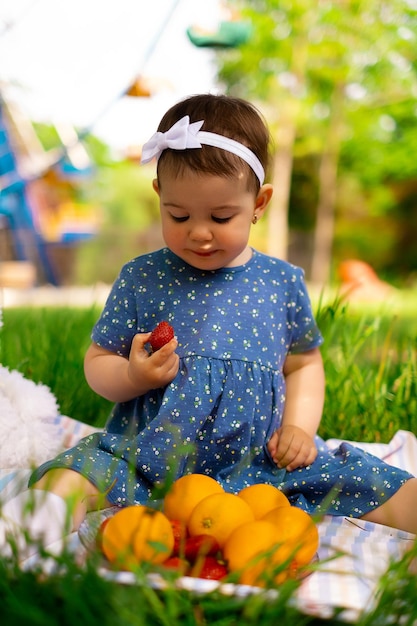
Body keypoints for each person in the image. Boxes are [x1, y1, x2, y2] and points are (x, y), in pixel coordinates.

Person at [1, 93, 416, 559]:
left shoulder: (280, 282)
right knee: (79, 468)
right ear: (160, 195)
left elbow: (303, 363)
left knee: (360, 472)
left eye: (222, 217)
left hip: (265, 460)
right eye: (178, 215)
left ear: (258, 203)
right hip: (154, 457)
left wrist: (299, 427)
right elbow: (99, 362)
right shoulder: (142, 276)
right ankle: (23, 534)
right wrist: (133, 376)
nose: (199, 232)